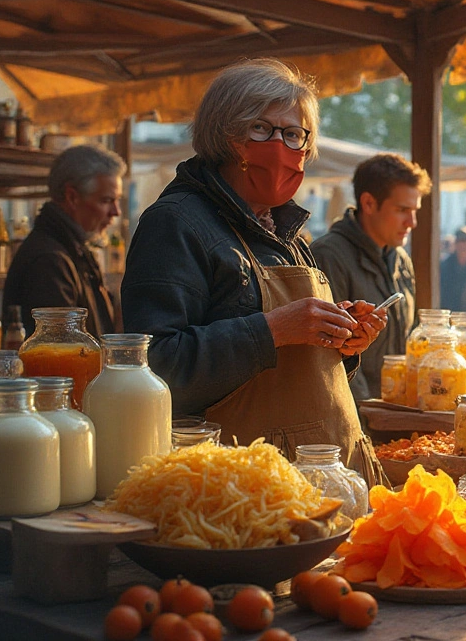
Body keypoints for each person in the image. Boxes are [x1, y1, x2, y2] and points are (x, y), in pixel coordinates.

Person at [121, 58, 387, 479]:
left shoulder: (292, 236)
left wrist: (342, 342)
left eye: (294, 134)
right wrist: (274, 329)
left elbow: (301, 367)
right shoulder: (175, 223)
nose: (281, 145)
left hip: (320, 470)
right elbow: (154, 368)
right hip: (237, 485)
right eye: (261, 129)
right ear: (224, 134)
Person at [310, 153, 430, 400]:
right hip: (357, 417)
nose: (412, 222)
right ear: (368, 204)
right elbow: (329, 355)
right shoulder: (328, 256)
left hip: (394, 411)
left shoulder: (401, 259)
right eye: (402, 210)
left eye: (415, 210)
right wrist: (366, 421)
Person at [4, 144, 126, 337]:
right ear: (72, 197)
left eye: (116, 201)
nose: (116, 212)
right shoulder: (49, 261)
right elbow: (61, 352)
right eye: (106, 200)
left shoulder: (73, 251)